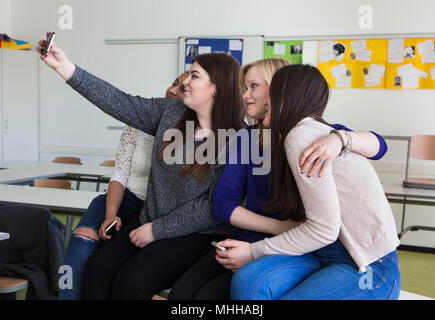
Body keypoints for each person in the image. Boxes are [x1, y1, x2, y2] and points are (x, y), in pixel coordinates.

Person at [37, 33, 245, 299]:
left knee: (129, 285)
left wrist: (157, 231)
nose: (185, 83)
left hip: (198, 234)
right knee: (96, 273)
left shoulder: (238, 137)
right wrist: (65, 68)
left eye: (194, 76)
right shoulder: (171, 113)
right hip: (151, 221)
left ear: (216, 87)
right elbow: (119, 102)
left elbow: (211, 207)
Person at [168, 58, 388, 300]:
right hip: (276, 241)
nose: (245, 95)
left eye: (254, 87)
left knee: (212, 295)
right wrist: (280, 229)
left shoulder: (312, 135)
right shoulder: (249, 138)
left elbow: (380, 145)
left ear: (278, 91)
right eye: (245, 87)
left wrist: (341, 140)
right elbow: (222, 203)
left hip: (306, 247)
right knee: (183, 295)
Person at [228, 64, 400, 300]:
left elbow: (324, 230)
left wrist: (254, 251)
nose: (262, 99)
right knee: (248, 282)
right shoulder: (299, 132)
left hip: (368, 268)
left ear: (286, 99)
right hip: (321, 253)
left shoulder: (302, 135)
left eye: (270, 92)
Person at [58, 72, 188, 300]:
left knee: (112, 266)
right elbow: (119, 173)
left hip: (157, 210)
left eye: (183, 88)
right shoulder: (138, 123)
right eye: (174, 82)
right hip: (124, 199)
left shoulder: (195, 132)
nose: (172, 89)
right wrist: (110, 214)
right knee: (82, 238)